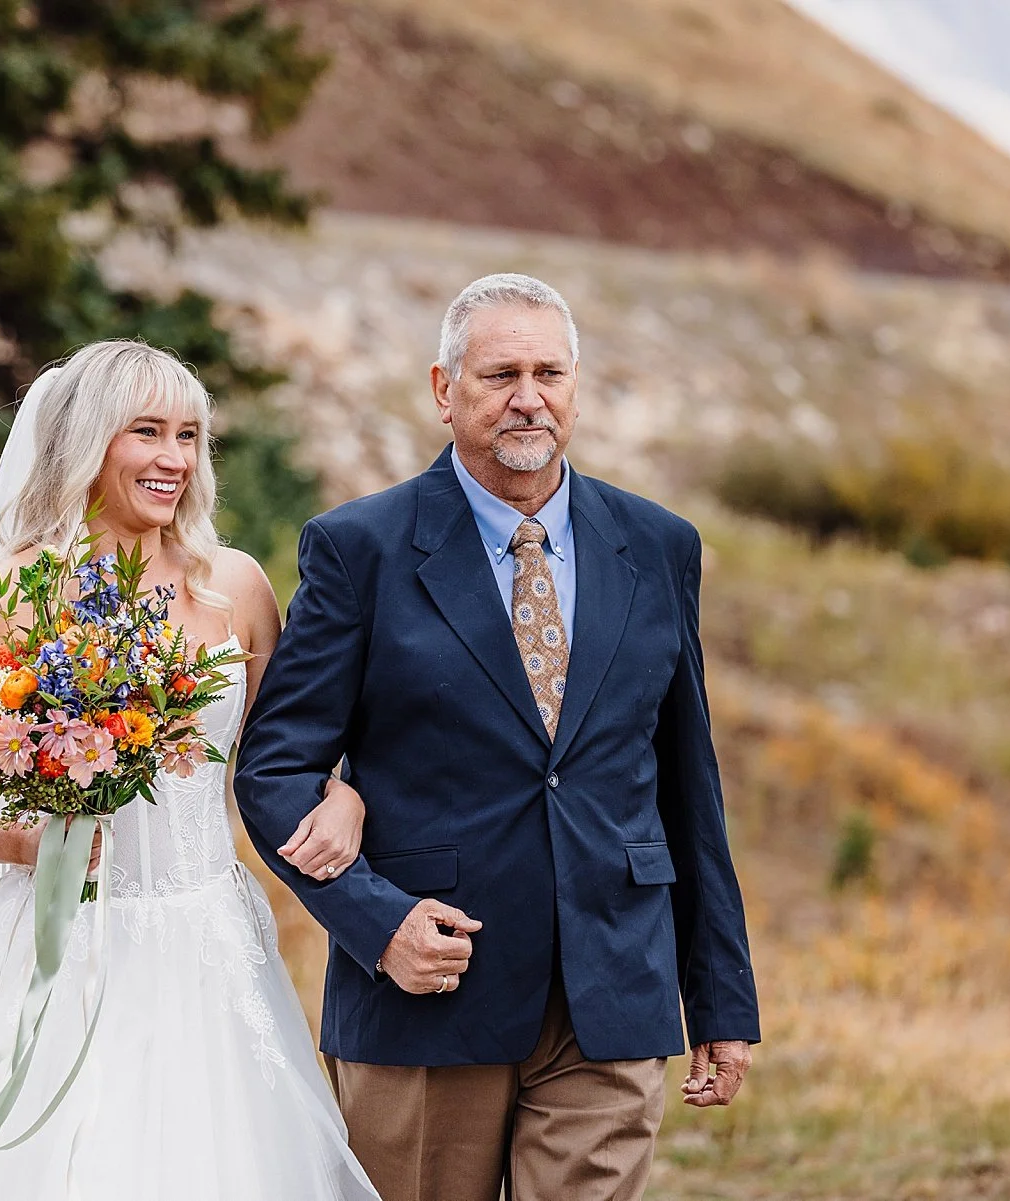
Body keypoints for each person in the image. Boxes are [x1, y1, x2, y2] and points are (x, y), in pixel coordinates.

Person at [235, 273, 761, 1201]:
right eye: (501, 373)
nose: (530, 397)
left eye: (550, 372)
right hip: (429, 993)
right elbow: (274, 768)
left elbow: (688, 783)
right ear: (445, 390)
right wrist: (376, 920)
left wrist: (718, 993)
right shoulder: (359, 548)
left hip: (613, 987)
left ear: (576, 385)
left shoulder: (659, 544)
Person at [0, 341, 380, 1200]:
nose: (175, 458)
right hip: (66, 948)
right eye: (146, 431)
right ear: (85, 441)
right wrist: (27, 840)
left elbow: (286, 759)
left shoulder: (238, 587)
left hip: (212, 947)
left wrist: (351, 795)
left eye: (189, 434)